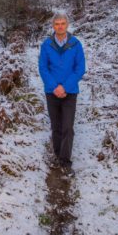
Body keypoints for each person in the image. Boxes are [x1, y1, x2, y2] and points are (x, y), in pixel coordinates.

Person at [38, 13, 86, 177]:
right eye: (57, 23)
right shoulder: (46, 45)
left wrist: (65, 87)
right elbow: (43, 68)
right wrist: (54, 87)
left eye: (62, 23)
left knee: (68, 127)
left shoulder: (75, 44)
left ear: (67, 25)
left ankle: (65, 161)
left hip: (70, 92)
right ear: (53, 26)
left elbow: (80, 68)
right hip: (51, 92)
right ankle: (57, 155)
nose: (60, 26)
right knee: (56, 126)